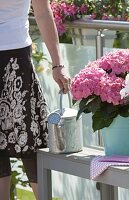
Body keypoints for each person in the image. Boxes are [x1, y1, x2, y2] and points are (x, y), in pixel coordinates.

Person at [0, 0, 70, 199]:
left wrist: (58, 65)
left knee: (30, 141)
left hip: (17, 57)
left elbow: (43, 12)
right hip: (16, 54)